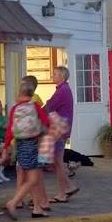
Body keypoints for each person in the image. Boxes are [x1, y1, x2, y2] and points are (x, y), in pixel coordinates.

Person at [3, 82, 51, 220]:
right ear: (32, 93)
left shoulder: (15, 108)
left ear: (20, 93)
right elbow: (46, 122)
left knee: (31, 177)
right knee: (33, 179)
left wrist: (6, 146)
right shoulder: (35, 106)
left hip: (21, 145)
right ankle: (13, 202)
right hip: (33, 145)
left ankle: (37, 208)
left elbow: (10, 129)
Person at [44, 66, 78, 203]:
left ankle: (65, 190)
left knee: (57, 162)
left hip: (59, 128)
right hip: (61, 127)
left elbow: (50, 106)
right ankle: (66, 189)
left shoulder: (62, 90)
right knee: (57, 162)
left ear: (62, 76)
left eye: (55, 74)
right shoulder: (64, 89)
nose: (53, 76)